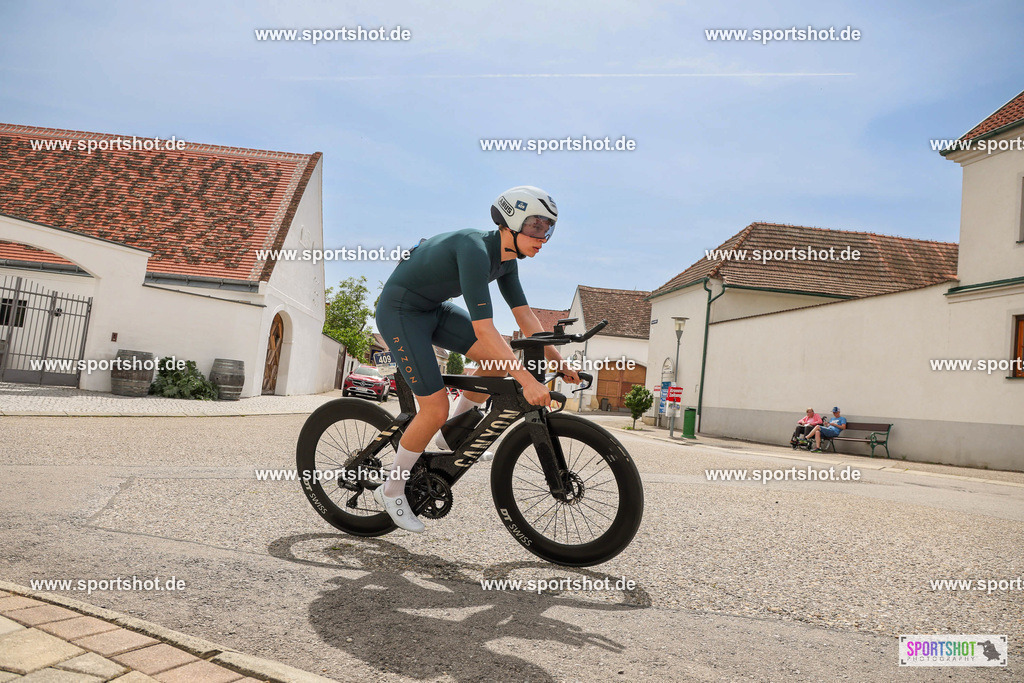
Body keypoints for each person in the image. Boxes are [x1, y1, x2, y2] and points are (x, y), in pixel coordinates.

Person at [372, 186, 581, 533]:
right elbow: (485, 329)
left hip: (434, 310)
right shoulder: (474, 249)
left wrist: (560, 362)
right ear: (511, 221)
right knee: (434, 408)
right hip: (401, 311)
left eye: (548, 229)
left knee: (498, 362)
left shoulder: (508, 260)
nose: (542, 237)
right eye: (536, 226)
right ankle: (392, 489)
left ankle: (448, 435)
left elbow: (525, 317)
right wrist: (527, 382)